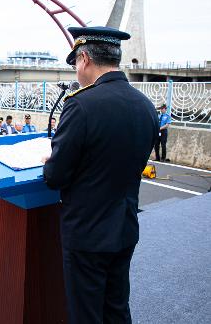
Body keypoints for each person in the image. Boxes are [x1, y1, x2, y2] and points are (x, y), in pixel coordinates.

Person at [42, 26, 159, 324]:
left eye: (75, 64)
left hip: (87, 233)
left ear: (84, 59)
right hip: (124, 227)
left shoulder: (81, 105)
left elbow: (55, 176)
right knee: (117, 308)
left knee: (86, 314)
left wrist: (50, 159)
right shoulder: (145, 106)